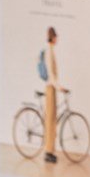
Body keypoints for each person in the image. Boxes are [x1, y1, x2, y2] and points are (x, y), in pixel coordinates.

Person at [42, 26, 59, 165]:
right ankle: (48, 152)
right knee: (50, 120)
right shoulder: (49, 51)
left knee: (52, 119)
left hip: (52, 87)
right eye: (56, 36)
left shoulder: (50, 50)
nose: (57, 39)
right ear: (53, 37)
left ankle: (51, 151)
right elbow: (51, 74)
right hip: (50, 88)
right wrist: (59, 87)